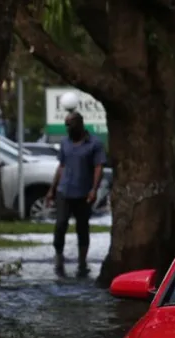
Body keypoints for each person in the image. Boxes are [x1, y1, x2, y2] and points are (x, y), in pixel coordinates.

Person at [48, 112, 106, 278]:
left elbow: (98, 167)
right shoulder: (65, 143)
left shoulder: (94, 143)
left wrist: (94, 189)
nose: (68, 128)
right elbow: (61, 166)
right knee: (60, 224)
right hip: (64, 191)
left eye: (70, 124)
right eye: (66, 125)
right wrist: (52, 189)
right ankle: (59, 256)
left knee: (82, 227)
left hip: (83, 193)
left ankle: (82, 262)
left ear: (80, 124)